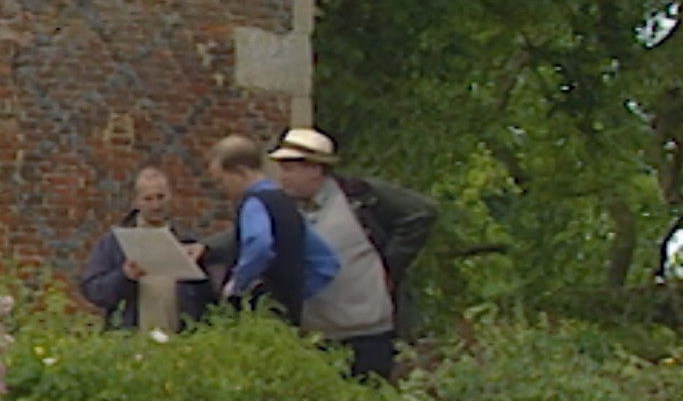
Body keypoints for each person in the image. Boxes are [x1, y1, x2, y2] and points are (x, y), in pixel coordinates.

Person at [267, 127, 437, 379]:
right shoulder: (284, 208)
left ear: (315, 169)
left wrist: (389, 265)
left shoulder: (358, 197)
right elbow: (248, 235)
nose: (282, 177)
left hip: (369, 335)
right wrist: (208, 247)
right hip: (315, 337)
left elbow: (422, 212)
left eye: (290, 168)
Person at [201, 135, 341, 325]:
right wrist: (293, 293)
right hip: (289, 317)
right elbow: (327, 263)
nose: (221, 189)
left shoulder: (254, 203)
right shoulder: (288, 205)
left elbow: (259, 243)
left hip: (258, 315)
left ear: (240, 172)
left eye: (221, 180)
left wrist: (237, 285)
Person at [79, 167, 218, 332]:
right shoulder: (115, 243)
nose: (156, 205)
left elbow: (208, 301)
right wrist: (124, 276)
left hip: (179, 346)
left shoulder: (187, 244)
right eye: (148, 199)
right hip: (131, 343)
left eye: (161, 197)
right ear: (136, 201)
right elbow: (93, 290)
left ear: (171, 197)